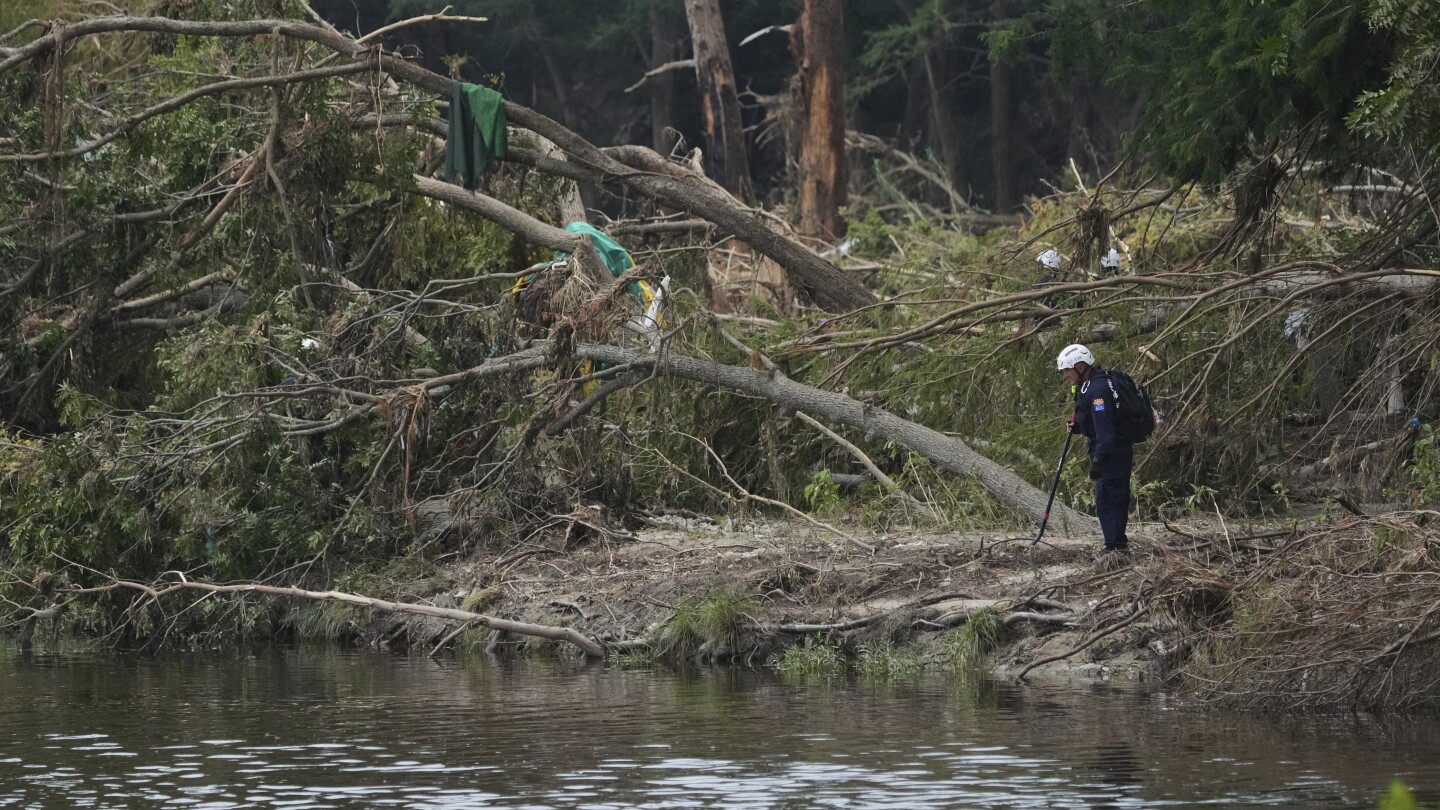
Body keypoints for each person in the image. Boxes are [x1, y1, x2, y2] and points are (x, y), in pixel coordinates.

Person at [1056, 343, 1131, 554]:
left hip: (1112, 453)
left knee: (1109, 499)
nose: (1065, 375)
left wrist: (1099, 460)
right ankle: (1116, 544)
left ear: (1079, 366)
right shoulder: (1091, 384)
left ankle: (1115, 549)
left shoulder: (1098, 391)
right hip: (1112, 450)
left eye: (1067, 370)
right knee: (1111, 497)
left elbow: (1105, 431)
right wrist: (1078, 426)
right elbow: (1097, 422)